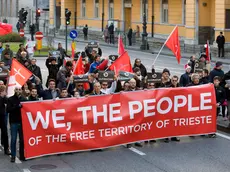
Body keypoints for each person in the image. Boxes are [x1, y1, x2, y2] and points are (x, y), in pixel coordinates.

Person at [7, 87, 27, 162]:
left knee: (22, 140)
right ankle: (13, 155)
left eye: (19, 89)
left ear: (21, 90)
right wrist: (16, 106)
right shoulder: (10, 99)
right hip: (14, 122)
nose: (18, 91)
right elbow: (8, 110)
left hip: (22, 122)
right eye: (17, 89)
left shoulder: (24, 99)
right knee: (13, 139)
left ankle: (22, 155)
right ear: (14, 90)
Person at [0, 85, 11, 156]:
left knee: (5, 133)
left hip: (2, 117)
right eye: (4, 91)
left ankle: (6, 149)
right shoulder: (1, 98)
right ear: (2, 91)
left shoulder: (4, 98)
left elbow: (8, 101)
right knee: (5, 133)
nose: (5, 92)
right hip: (1, 116)